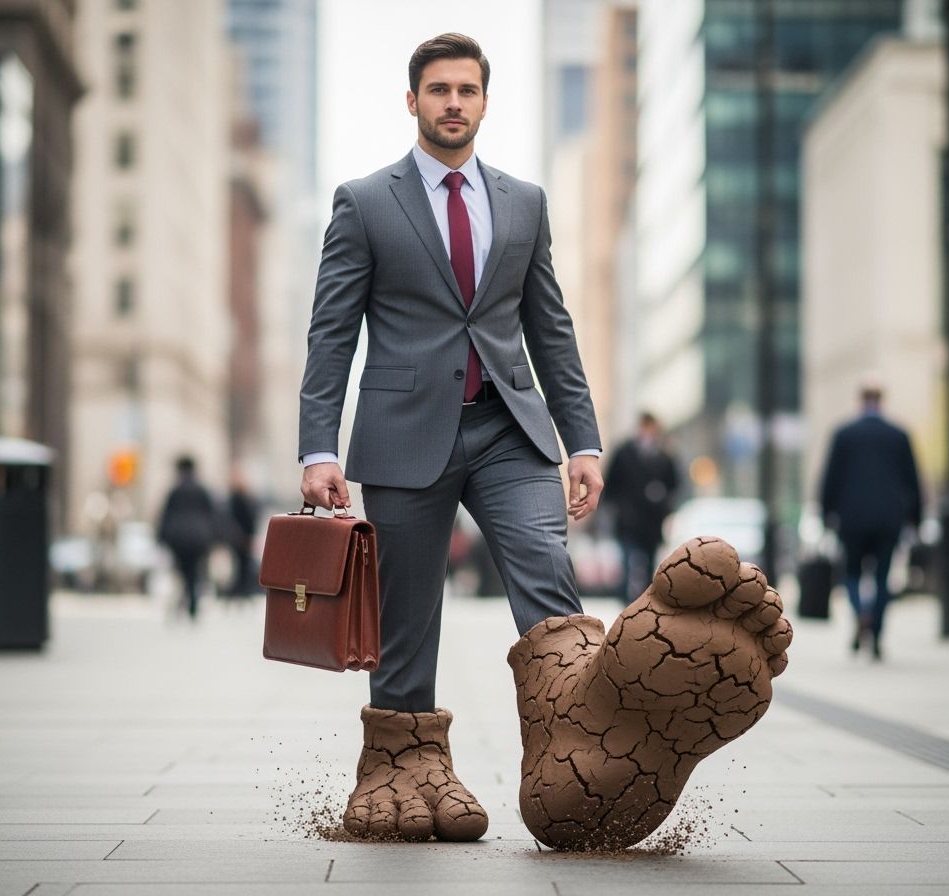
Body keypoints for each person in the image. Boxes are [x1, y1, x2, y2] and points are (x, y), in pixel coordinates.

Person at [297, 33, 792, 850]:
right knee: (407, 612)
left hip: (509, 429)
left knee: (547, 572)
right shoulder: (365, 201)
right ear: (412, 101)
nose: (453, 102)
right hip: (404, 434)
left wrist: (584, 442)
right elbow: (331, 334)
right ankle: (401, 766)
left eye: (466, 89)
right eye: (438, 90)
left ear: (486, 101)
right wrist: (320, 447)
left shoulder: (523, 201)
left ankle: (586, 741)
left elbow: (549, 328)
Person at [819, 378, 921, 660]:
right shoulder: (898, 435)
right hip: (889, 519)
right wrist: (916, 518)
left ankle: (861, 613)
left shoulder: (844, 434)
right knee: (882, 578)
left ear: (860, 400)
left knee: (850, 575)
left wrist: (826, 513)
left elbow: (830, 479)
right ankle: (875, 633)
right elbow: (912, 481)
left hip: (851, 519)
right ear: (882, 400)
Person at [604, 412, 680, 603]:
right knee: (628, 565)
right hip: (628, 520)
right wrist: (615, 508)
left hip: (652, 522)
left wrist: (663, 502)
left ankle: (645, 606)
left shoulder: (664, 455)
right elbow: (611, 484)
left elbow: (674, 484)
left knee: (648, 566)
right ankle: (626, 605)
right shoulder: (624, 452)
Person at [156, 456, 216, 620]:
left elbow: (166, 516)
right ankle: (191, 602)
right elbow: (212, 515)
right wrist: (213, 538)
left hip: (179, 539)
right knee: (194, 572)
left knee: (183, 571)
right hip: (198, 539)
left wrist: (160, 538)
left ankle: (187, 601)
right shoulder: (202, 490)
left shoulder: (175, 491)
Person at [225, 465, 259, 599]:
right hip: (243, 536)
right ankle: (243, 590)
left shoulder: (235, 499)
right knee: (242, 564)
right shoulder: (245, 499)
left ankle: (241, 590)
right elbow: (250, 519)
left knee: (241, 564)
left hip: (238, 537)